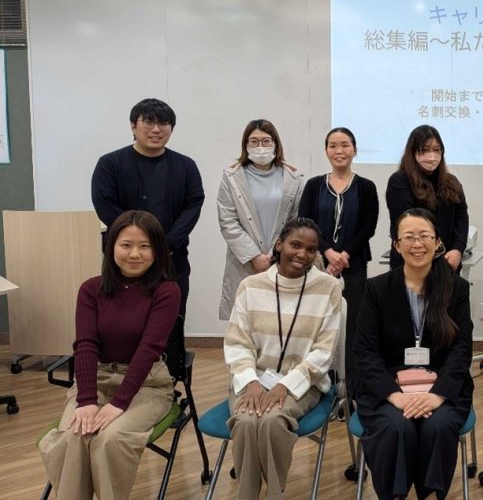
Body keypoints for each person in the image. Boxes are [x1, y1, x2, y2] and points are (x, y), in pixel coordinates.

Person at [39, 210, 180, 500]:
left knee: (109, 440)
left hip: (146, 384)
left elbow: (149, 348)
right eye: (126, 244)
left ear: (157, 250)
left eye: (145, 246)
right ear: (111, 246)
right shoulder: (91, 289)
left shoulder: (167, 291)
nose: (135, 254)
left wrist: (118, 403)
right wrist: (87, 400)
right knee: (74, 436)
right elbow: (86, 345)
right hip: (96, 378)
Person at [354, 208, 474, 499]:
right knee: (397, 427)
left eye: (424, 236)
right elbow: (365, 351)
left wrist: (438, 395)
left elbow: (461, 349)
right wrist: (394, 396)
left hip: (441, 386)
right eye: (408, 237)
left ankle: (430, 495)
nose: (417, 244)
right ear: (396, 245)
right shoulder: (376, 289)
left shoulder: (456, 288)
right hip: (389, 388)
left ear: (437, 242)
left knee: (438, 426)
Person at [223, 217, 343, 500]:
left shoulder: (328, 288)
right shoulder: (250, 286)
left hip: (303, 382)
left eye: (311, 250)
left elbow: (324, 352)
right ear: (279, 245)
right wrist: (251, 383)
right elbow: (238, 343)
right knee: (246, 420)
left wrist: (286, 385)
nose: (302, 254)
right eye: (295, 245)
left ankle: (275, 494)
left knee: (272, 419)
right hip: (251, 379)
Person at [91, 98, 204, 374]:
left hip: (172, 260)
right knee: (122, 321)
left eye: (163, 123)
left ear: (172, 128)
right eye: (149, 122)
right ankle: (121, 378)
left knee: (171, 321)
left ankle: (169, 380)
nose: (156, 129)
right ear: (134, 125)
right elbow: (105, 204)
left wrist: (165, 245)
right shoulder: (110, 163)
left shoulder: (185, 166)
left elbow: (193, 205)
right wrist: (139, 244)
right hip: (124, 262)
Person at [298, 126, 378, 390]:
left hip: (354, 266)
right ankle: (318, 383)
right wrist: (328, 252)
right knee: (317, 323)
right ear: (326, 151)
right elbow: (305, 223)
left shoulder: (366, 187)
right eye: (333, 145)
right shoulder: (313, 186)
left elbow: (368, 226)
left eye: (345, 145)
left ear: (355, 150)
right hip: (317, 266)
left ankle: (352, 387)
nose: (339, 150)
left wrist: (344, 255)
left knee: (352, 325)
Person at [217, 119, 304, 321]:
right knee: (244, 320)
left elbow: (296, 220)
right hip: (244, 260)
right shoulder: (232, 176)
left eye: (266, 141)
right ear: (246, 145)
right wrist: (254, 256)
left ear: (275, 143)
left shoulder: (293, 177)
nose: (260, 147)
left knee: (280, 320)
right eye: (254, 142)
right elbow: (228, 221)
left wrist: (275, 253)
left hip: (281, 258)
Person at [386, 125, 469, 272]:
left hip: (448, 262)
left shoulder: (451, 182)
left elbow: (461, 216)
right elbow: (408, 222)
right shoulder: (399, 181)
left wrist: (458, 249)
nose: (431, 156)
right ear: (413, 152)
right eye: (424, 150)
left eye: (436, 150)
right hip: (412, 263)